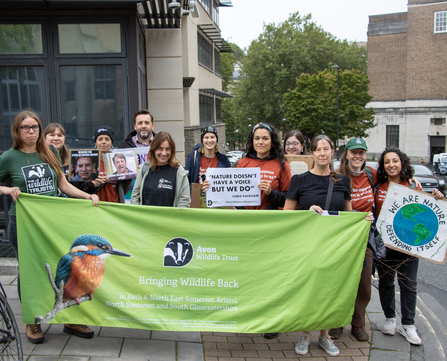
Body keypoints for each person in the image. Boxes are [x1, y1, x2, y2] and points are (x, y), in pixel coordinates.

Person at [0, 110, 99, 344]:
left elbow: (62, 184)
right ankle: (32, 320)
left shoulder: (50, 151)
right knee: (31, 270)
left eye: (35, 127)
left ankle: (70, 317)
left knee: (63, 264)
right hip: (23, 222)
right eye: (26, 127)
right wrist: (6, 190)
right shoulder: (9, 157)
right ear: (17, 130)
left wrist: (86, 196)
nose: (31, 131)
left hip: (52, 220)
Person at [284, 134, 373, 357]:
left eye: (326, 149)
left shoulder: (342, 181)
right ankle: (305, 334)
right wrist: (306, 213)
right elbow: (286, 215)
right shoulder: (300, 180)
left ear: (333, 151)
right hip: (308, 245)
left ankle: (324, 335)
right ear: (311, 153)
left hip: (334, 246)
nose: (322, 153)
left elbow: (348, 214)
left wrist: (363, 220)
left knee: (328, 290)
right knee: (308, 289)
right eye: (318, 149)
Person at [375, 146, 444, 346]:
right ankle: (390, 318)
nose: (391, 165)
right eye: (387, 162)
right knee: (386, 283)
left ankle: (408, 325)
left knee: (409, 285)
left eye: (395, 161)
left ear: (402, 163)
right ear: (383, 166)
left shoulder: (413, 185)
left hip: (408, 246)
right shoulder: (378, 187)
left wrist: (437, 198)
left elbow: (427, 208)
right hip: (385, 246)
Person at [329, 137, 378, 342]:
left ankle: (357, 324)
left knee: (364, 284)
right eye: (353, 152)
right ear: (346, 154)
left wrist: (413, 182)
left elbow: (392, 187)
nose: (357, 156)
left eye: (361, 152)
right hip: (343, 238)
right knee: (340, 281)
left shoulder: (371, 175)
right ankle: (337, 322)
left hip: (366, 237)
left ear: (365, 155)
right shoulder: (336, 177)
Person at [236, 123, 291, 211]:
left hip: (269, 219)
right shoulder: (243, 163)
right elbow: (234, 192)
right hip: (244, 217)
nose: (260, 142)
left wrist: (271, 192)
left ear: (272, 141)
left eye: (265, 138)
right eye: (257, 138)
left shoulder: (282, 164)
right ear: (252, 141)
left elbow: (289, 199)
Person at [131, 132, 190, 207]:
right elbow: (135, 197)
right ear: (154, 149)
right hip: (145, 218)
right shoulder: (144, 169)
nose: (164, 153)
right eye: (160, 149)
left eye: (167, 149)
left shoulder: (179, 171)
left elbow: (184, 202)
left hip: (170, 218)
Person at [44, 123, 102, 194]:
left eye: (59, 135)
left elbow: (79, 187)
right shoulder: (39, 159)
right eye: (52, 135)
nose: (56, 138)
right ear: (44, 137)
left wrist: (93, 184)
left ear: (64, 138)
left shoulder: (70, 158)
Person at [94, 126, 133, 203]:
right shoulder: (90, 162)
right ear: (95, 143)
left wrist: (130, 173)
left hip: (115, 205)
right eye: (100, 139)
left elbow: (125, 189)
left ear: (112, 143)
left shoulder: (118, 161)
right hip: (95, 206)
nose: (103, 142)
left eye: (107, 139)